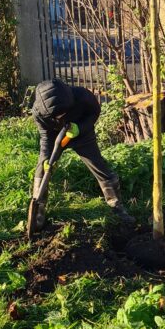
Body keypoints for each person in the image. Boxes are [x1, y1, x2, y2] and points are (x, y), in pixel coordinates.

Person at [31, 78, 134, 228]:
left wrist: (80, 128)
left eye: (64, 112)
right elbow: (45, 137)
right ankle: (38, 211)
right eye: (57, 115)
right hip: (54, 136)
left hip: (81, 133)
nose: (61, 117)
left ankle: (117, 208)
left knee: (99, 166)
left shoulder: (83, 96)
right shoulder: (39, 112)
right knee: (42, 168)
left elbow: (94, 113)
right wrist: (47, 159)